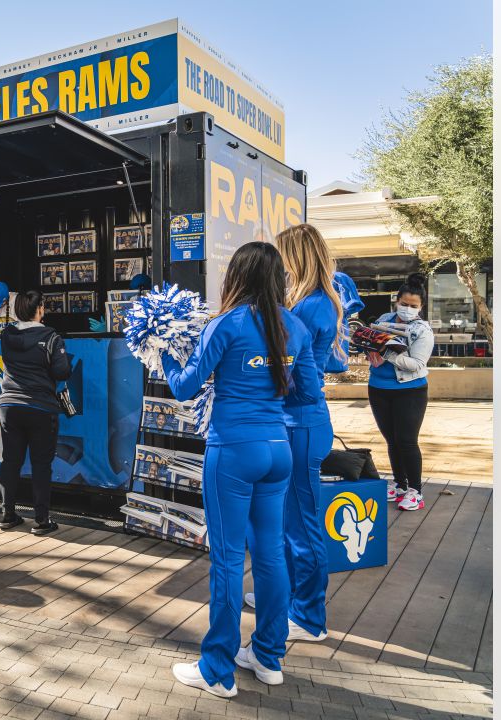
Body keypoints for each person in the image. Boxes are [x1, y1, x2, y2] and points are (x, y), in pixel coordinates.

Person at [161, 242, 322, 699]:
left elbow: (186, 387)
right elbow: (307, 393)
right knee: (270, 555)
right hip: (278, 450)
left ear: (237, 276)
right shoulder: (295, 326)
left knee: (229, 559)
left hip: (232, 450)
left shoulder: (225, 324)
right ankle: (268, 658)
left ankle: (217, 670)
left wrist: (163, 354)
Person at [242, 223, 347, 644]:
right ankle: (285, 600)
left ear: (296, 257)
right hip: (296, 423)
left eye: (283, 256)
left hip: (301, 424)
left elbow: (297, 376)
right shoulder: (312, 302)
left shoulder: (309, 307)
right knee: (287, 524)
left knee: (302, 527)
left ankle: (308, 617)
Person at [0, 290, 72, 535]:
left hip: (9, 406)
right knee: (41, 465)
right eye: (43, 306)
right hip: (41, 407)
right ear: (39, 309)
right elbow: (62, 372)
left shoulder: (7, 334)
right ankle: (41, 520)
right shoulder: (50, 336)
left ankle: (8, 515)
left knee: (10, 461)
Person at [367, 273, 434, 511]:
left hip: (410, 391)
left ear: (421, 307)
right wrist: (369, 348)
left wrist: (388, 354)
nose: (407, 309)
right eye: (404, 304)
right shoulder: (385, 318)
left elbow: (417, 364)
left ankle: (415, 491)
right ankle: (400, 485)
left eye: (413, 306)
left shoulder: (422, 331)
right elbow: (373, 346)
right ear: (397, 301)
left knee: (407, 441)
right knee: (392, 440)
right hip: (378, 389)